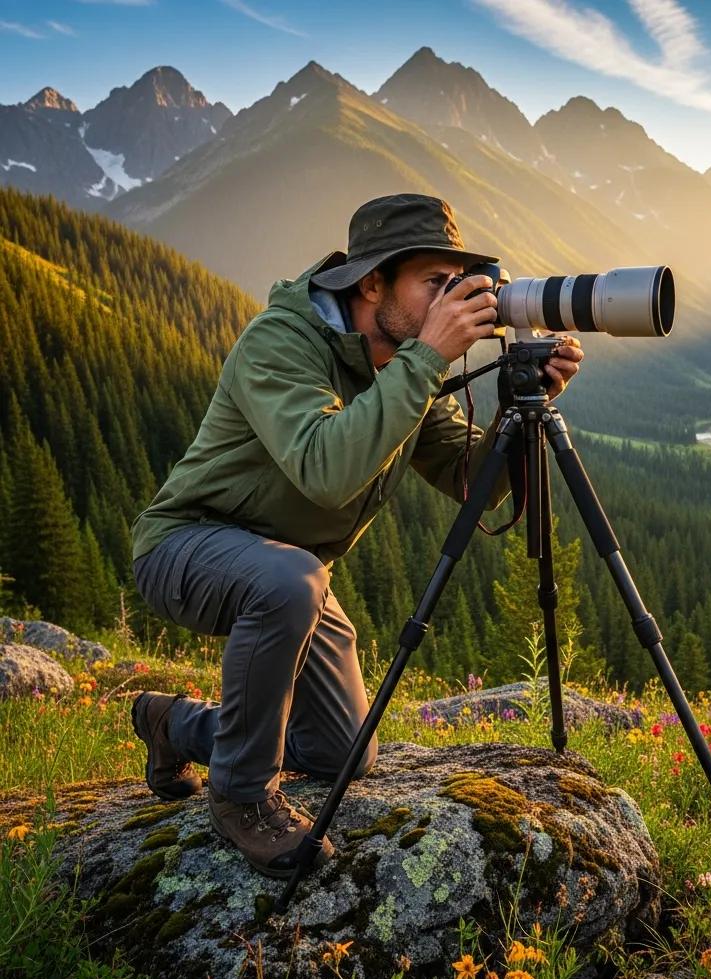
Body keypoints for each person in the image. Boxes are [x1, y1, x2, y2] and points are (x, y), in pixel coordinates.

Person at [128, 193, 584, 878]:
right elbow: (326, 469)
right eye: (435, 283)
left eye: (456, 285)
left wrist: (525, 408)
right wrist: (427, 359)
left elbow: (472, 481)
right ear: (372, 283)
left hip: (288, 575)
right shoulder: (281, 343)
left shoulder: (400, 361)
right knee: (292, 579)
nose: (451, 300)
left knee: (341, 752)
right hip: (186, 546)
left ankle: (175, 724)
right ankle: (241, 797)